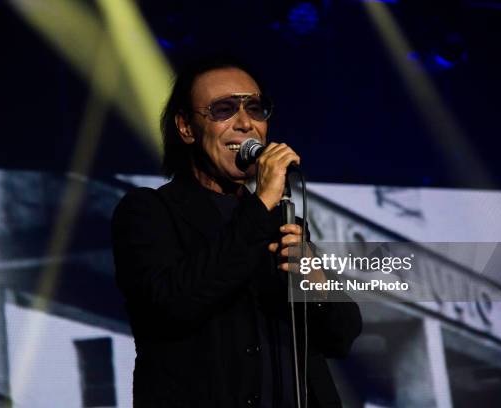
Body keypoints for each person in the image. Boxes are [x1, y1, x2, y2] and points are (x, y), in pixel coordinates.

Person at [111, 57, 362, 408]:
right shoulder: (149, 211)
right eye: (223, 109)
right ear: (186, 127)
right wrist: (260, 205)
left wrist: (316, 282)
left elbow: (341, 338)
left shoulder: (281, 219)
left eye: (255, 109)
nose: (245, 123)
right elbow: (171, 304)